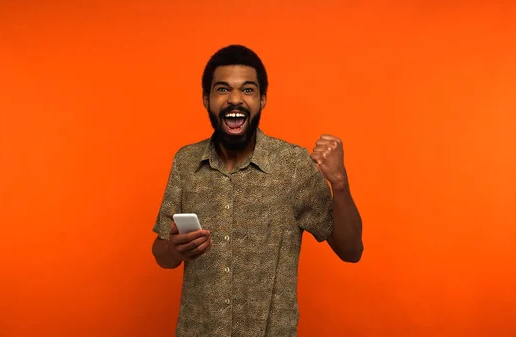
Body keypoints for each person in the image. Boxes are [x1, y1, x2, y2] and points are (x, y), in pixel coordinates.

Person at [151, 44, 363, 337]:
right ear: (206, 99)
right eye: (223, 89)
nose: (235, 99)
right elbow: (161, 253)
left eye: (248, 90)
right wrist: (174, 249)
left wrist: (340, 185)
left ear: (262, 99)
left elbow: (352, 251)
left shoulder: (293, 165)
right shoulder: (186, 162)